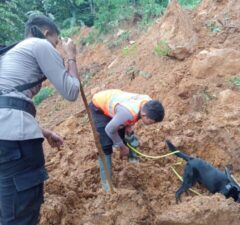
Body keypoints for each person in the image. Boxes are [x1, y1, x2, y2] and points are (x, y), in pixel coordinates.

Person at [0, 15, 80, 225]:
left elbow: (8, 103)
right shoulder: (39, 44)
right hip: (13, 143)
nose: (55, 46)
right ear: (46, 33)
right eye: (55, 41)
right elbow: (71, 91)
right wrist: (71, 56)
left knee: (6, 209)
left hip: (6, 138)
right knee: (20, 216)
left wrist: (43, 131)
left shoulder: (11, 54)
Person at [89, 89, 165, 191]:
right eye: (151, 122)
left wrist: (129, 125)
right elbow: (109, 129)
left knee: (123, 134)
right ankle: (106, 182)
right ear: (144, 115)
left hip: (117, 104)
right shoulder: (127, 113)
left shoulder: (148, 103)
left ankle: (132, 160)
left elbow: (132, 115)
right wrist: (122, 147)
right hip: (99, 107)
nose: (152, 124)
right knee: (105, 144)